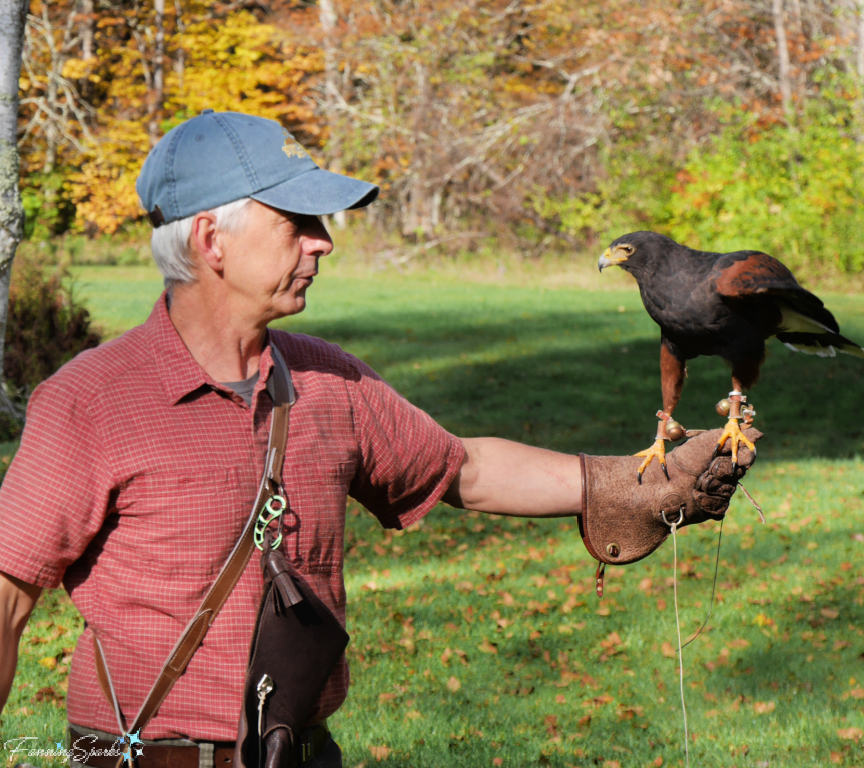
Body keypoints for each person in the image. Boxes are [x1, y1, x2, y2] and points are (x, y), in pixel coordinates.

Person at [0, 111, 758, 767]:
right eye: (298, 224)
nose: (324, 243)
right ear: (211, 240)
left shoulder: (330, 383)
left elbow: (464, 468)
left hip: (299, 749)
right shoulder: (92, 402)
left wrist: (633, 482)